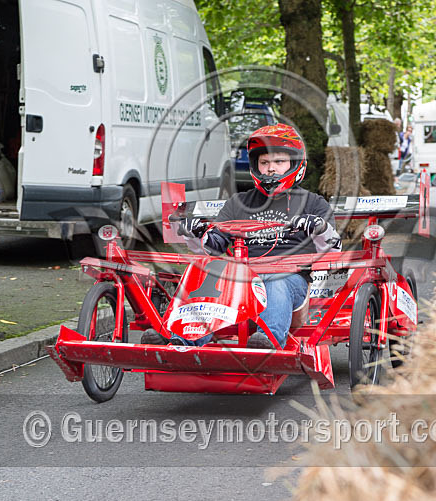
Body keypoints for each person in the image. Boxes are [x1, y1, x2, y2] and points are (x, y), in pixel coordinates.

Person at [141, 124, 342, 350]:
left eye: (279, 162)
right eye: (264, 163)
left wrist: (319, 227)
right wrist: (195, 233)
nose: (270, 169)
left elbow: (333, 254)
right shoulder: (238, 203)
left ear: (295, 164)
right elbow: (214, 247)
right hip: (240, 282)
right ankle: (180, 340)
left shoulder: (314, 203)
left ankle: (268, 342)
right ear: (255, 166)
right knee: (207, 273)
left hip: (291, 281)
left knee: (277, 281)